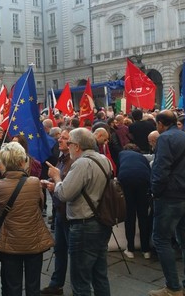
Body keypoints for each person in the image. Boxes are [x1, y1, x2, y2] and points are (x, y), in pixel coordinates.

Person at [46, 127, 112, 296]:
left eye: (69, 143)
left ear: (76, 146)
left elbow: (64, 194)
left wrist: (57, 177)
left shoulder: (82, 163)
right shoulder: (103, 159)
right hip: (101, 221)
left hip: (84, 224)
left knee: (80, 279)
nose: (67, 147)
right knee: (100, 274)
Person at [149, 110, 185, 296]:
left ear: (161, 124)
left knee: (161, 240)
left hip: (171, 197)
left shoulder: (165, 139)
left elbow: (160, 168)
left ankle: (172, 287)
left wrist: (155, 191)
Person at [0, 142, 54, 295]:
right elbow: (40, 206)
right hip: (34, 240)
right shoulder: (34, 182)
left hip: (11, 242)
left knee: (13, 286)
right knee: (33, 285)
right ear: (22, 161)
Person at [40, 128, 73, 296]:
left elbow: (69, 189)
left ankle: (78, 287)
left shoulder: (74, 161)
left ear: (73, 143)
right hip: (60, 212)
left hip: (70, 213)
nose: (59, 140)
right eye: (60, 137)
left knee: (73, 253)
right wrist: (51, 183)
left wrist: (56, 183)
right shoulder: (61, 158)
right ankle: (56, 284)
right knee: (59, 249)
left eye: (64, 138)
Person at [117, 143, 151, 260]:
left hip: (126, 179)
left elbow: (118, 170)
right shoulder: (142, 157)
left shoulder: (121, 154)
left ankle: (130, 249)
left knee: (130, 215)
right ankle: (146, 250)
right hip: (143, 180)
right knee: (143, 216)